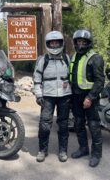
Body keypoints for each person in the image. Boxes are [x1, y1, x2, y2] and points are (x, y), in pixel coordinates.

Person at [33, 30, 72, 163]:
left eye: (57, 42)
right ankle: (42, 150)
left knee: (63, 124)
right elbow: (37, 78)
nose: (55, 45)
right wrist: (38, 94)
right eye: (52, 43)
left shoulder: (67, 58)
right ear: (48, 44)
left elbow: (73, 77)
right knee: (44, 124)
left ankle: (62, 151)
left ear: (61, 43)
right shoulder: (43, 59)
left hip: (65, 96)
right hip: (47, 96)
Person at [69, 29, 105, 167]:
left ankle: (96, 154)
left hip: (90, 98)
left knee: (94, 126)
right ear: (75, 42)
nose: (81, 44)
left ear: (89, 43)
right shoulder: (73, 56)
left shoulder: (95, 58)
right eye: (79, 41)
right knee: (78, 124)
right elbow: (72, 75)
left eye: (84, 42)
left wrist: (90, 97)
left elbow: (100, 81)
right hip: (76, 97)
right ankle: (83, 149)